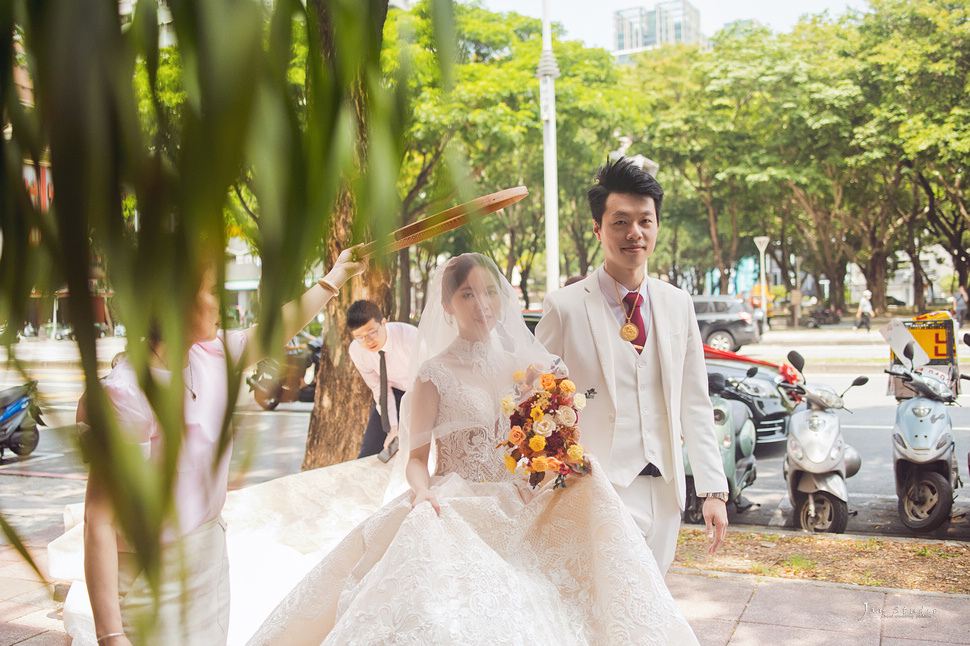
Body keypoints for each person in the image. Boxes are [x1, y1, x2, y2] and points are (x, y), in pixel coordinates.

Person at [247, 253, 699, 645]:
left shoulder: (529, 368)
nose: (481, 304)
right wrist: (422, 492)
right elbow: (418, 461)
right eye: (466, 294)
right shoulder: (432, 374)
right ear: (447, 305)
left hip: (522, 499)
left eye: (488, 292)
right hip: (459, 501)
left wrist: (560, 460)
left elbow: (545, 438)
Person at [79, 247, 366, 646]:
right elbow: (101, 521)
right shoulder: (127, 395)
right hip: (151, 578)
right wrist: (111, 636)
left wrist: (334, 277)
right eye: (214, 290)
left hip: (207, 560)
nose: (226, 303)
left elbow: (273, 329)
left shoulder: (210, 354)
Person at [536, 157, 728, 574]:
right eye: (620, 221)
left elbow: (694, 401)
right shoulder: (565, 307)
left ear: (656, 226)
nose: (634, 233)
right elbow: (536, 402)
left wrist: (713, 489)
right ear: (598, 229)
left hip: (666, 491)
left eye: (645, 220)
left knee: (650, 608)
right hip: (596, 488)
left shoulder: (678, 304)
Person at [347, 300, 418, 458]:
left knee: (413, 452)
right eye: (360, 337)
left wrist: (406, 425)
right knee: (369, 452)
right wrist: (393, 427)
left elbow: (429, 381)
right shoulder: (356, 350)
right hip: (392, 394)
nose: (368, 341)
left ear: (383, 322)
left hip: (424, 393)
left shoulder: (410, 338)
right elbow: (378, 387)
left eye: (372, 332)